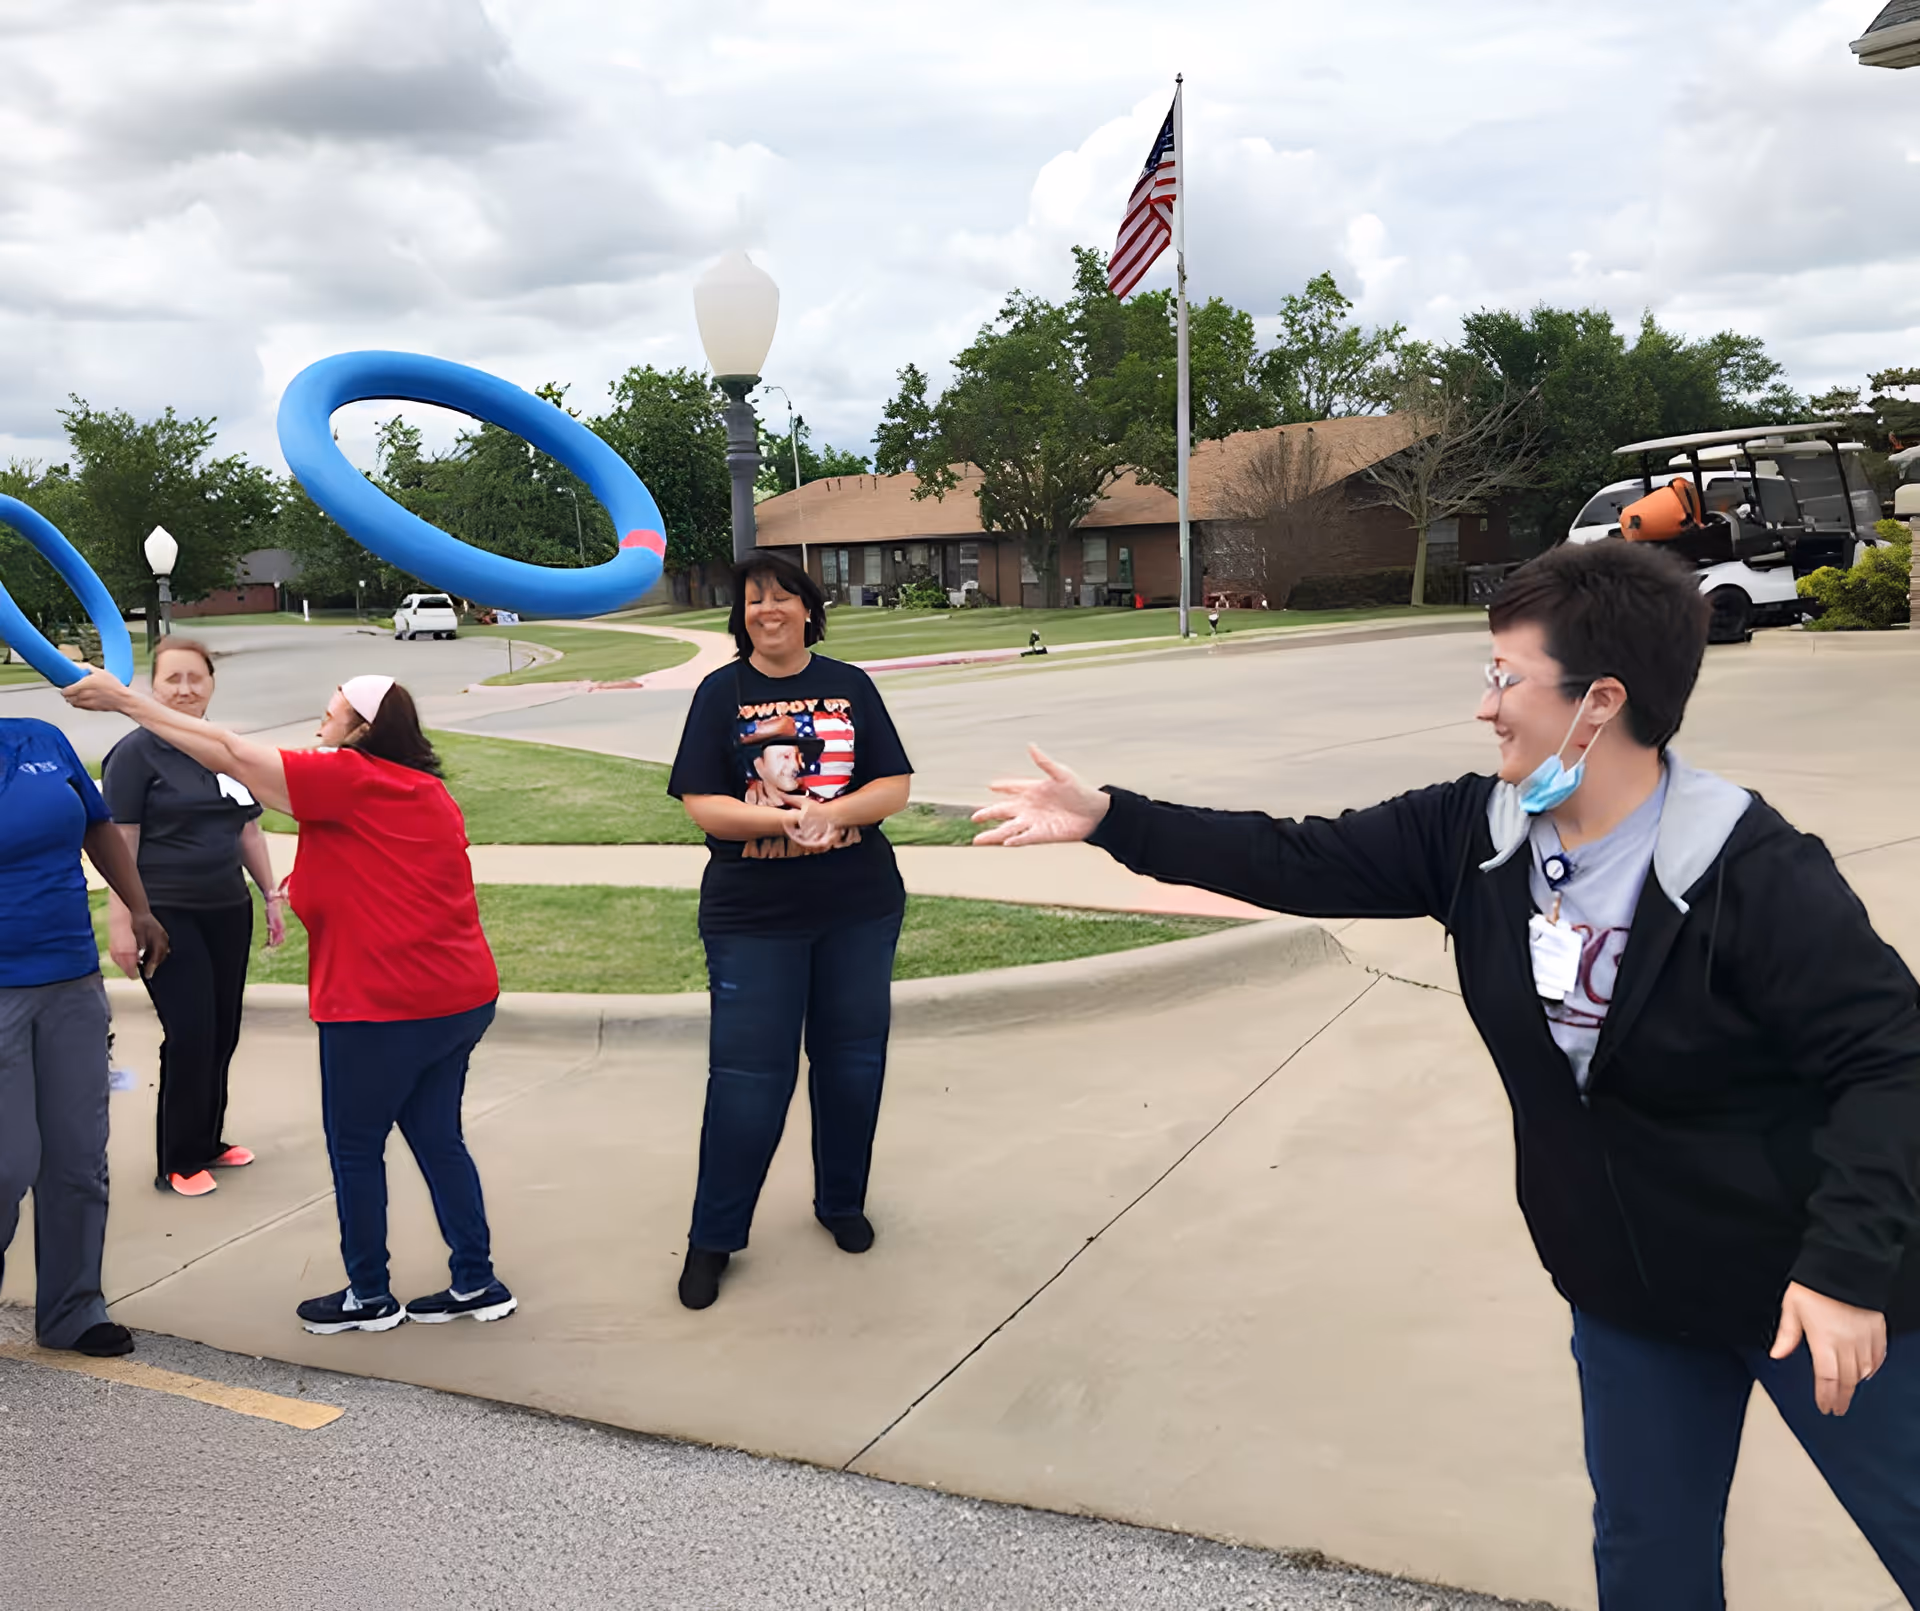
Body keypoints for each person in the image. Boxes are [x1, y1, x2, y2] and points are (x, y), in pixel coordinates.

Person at [972, 540, 1920, 1608]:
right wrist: (1113, 820)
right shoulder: (1476, 833)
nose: (1485, 707)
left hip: (1810, 1283)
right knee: (1650, 1558)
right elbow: (1295, 856)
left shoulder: (1751, 869)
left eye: (1506, 679)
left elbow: (1888, 1061)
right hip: (1629, 1289)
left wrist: (1847, 1269)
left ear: (1599, 700)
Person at [64, 669, 515, 1337]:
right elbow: (386, 868)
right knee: (437, 1136)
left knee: (356, 1148)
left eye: (331, 713)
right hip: (458, 999)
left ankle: (369, 1293)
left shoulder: (349, 778)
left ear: (363, 728)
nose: (320, 724)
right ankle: (477, 1280)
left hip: (384, 1005)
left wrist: (127, 700)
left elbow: (230, 751)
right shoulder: (425, 791)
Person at [666, 550, 914, 1309]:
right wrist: (781, 817)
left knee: (851, 1064)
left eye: (780, 597)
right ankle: (713, 1237)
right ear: (741, 618)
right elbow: (703, 804)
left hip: (857, 906)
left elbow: (893, 785)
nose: (766, 610)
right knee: (747, 1082)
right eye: (752, 601)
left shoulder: (850, 686)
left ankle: (841, 1202)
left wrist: (827, 814)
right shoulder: (720, 693)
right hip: (754, 919)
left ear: (808, 607)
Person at [0, 715, 168, 1358]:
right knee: (7, 1161)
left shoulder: (42, 737)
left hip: (71, 977)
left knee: (77, 1156)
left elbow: (97, 825)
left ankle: (73, 1310)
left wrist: (140, 907)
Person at [101, 638, 285, 1198]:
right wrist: (122, 924)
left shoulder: (223, 750)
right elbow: (119, 843)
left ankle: (208, 1142)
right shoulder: (135, 755)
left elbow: (248, 830)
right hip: (166, 915)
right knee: (190, 1034)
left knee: (222, 1033)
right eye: (171, 679)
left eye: (194, 679)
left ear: (210, 686)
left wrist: (271, 894)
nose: (184, 690)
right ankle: (177, 1160)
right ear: (151, 688)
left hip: (228, 910)